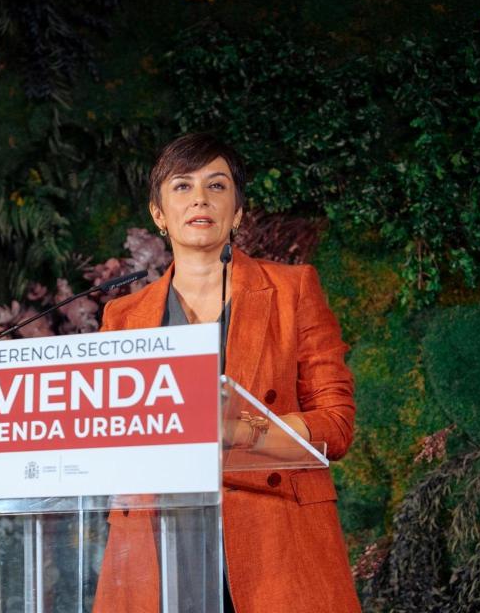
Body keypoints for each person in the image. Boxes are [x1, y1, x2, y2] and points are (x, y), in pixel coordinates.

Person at [92, 133, 361, 612]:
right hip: (157, 544)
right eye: (182, 186)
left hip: (274, 541)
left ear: (237, 212)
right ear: (158, 213)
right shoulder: (123, 316)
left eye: (216, 186)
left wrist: (235, 432)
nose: (199, 198)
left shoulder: (292, 290)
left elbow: (335, 426)